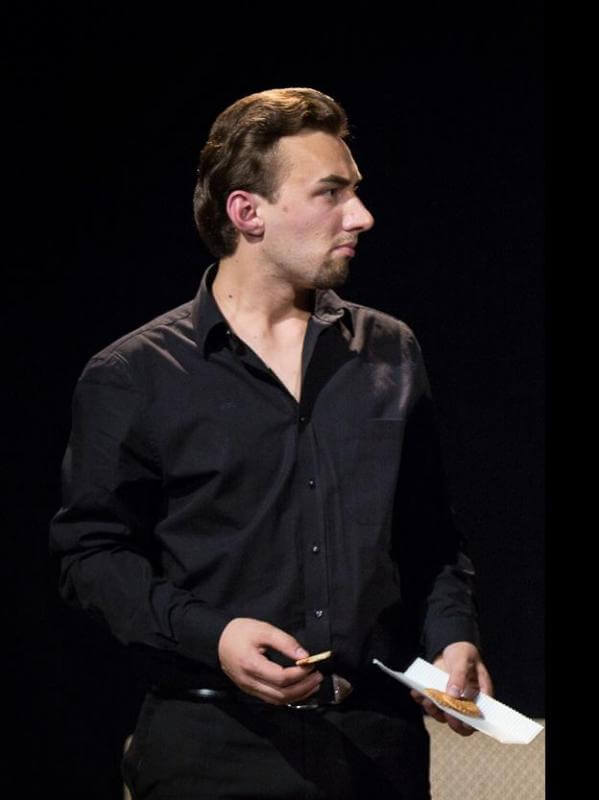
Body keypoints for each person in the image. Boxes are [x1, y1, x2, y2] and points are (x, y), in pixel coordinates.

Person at [50, 87, 493, 799]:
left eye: (355, 191)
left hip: (375, 750)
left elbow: (428, 537)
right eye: (331, 193)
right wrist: (213, 636)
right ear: (247, 213)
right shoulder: (134, 374)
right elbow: (91, 556)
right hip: (213, 749)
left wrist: (451, 637)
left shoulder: (389, 351)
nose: (362, 216)